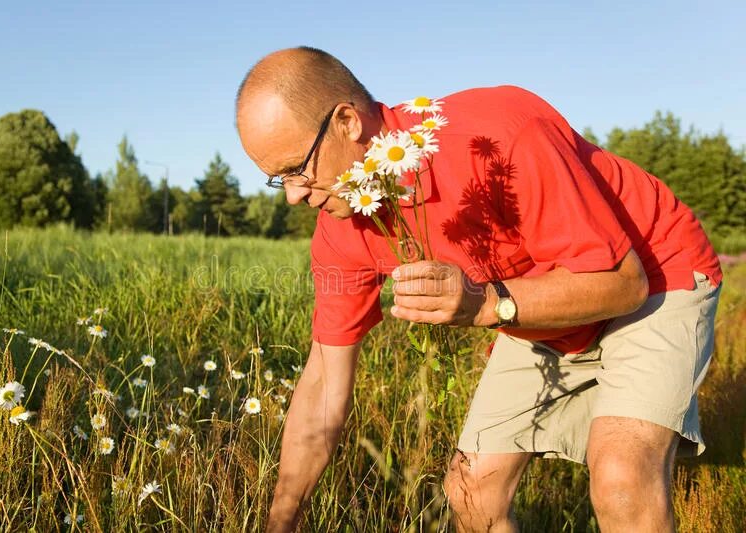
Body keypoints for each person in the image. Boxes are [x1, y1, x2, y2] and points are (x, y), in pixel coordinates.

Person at [235, 46, 722, 532]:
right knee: (471, 493)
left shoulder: (497, 130)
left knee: (620, 473)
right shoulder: (341, 227)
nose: (295, 194)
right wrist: (284, 517)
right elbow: (323, 377)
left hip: (654, 276)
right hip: (537, 307)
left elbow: (623, 283)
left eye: (297, 168)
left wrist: (486, 302)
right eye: (279, 180)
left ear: (347, 121)